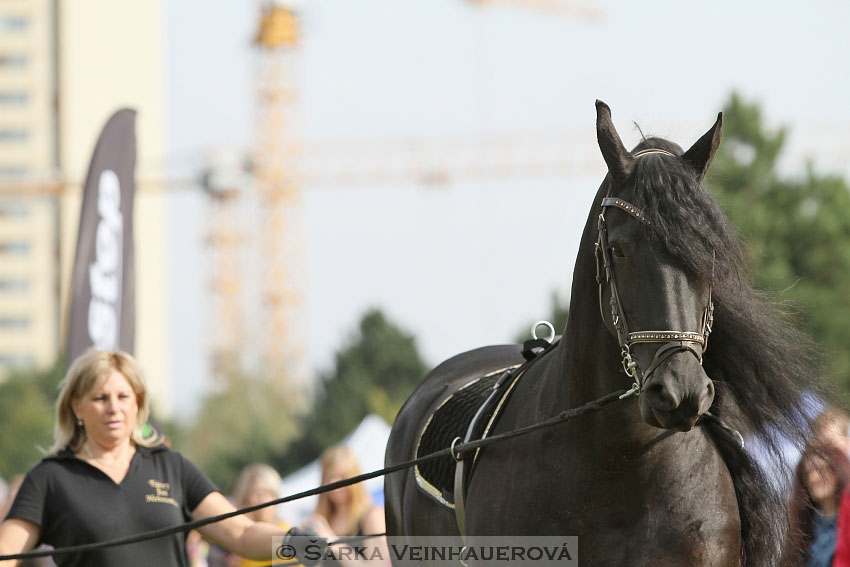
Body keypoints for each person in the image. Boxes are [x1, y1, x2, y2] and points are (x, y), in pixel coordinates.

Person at [0, 349, 288, 567]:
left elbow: (243, 534)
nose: (114, 408)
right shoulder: (49, 478)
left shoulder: (171, 467)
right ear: (77, 407)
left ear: (137, 402)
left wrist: (312, 546)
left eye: (123, 397)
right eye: (101, 398)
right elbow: (6, 553)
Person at [303, 446, 388, 567]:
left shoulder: (371, 516)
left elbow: (379, 565)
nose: (333, 483)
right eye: (329, 477)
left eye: (341, 476)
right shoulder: (321, 519)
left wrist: (332, 541)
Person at [786, 443, 850, 567]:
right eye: (809, 472)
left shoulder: (847, 517)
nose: (816, 477)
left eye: (822, 469)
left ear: (837, 471)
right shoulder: (803, 528)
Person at [225, 464, 294, 567]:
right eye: (257, 494)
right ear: (245, 499)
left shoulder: (284, 532)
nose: (263, 500)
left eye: (269, 493)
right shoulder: (238, 538)